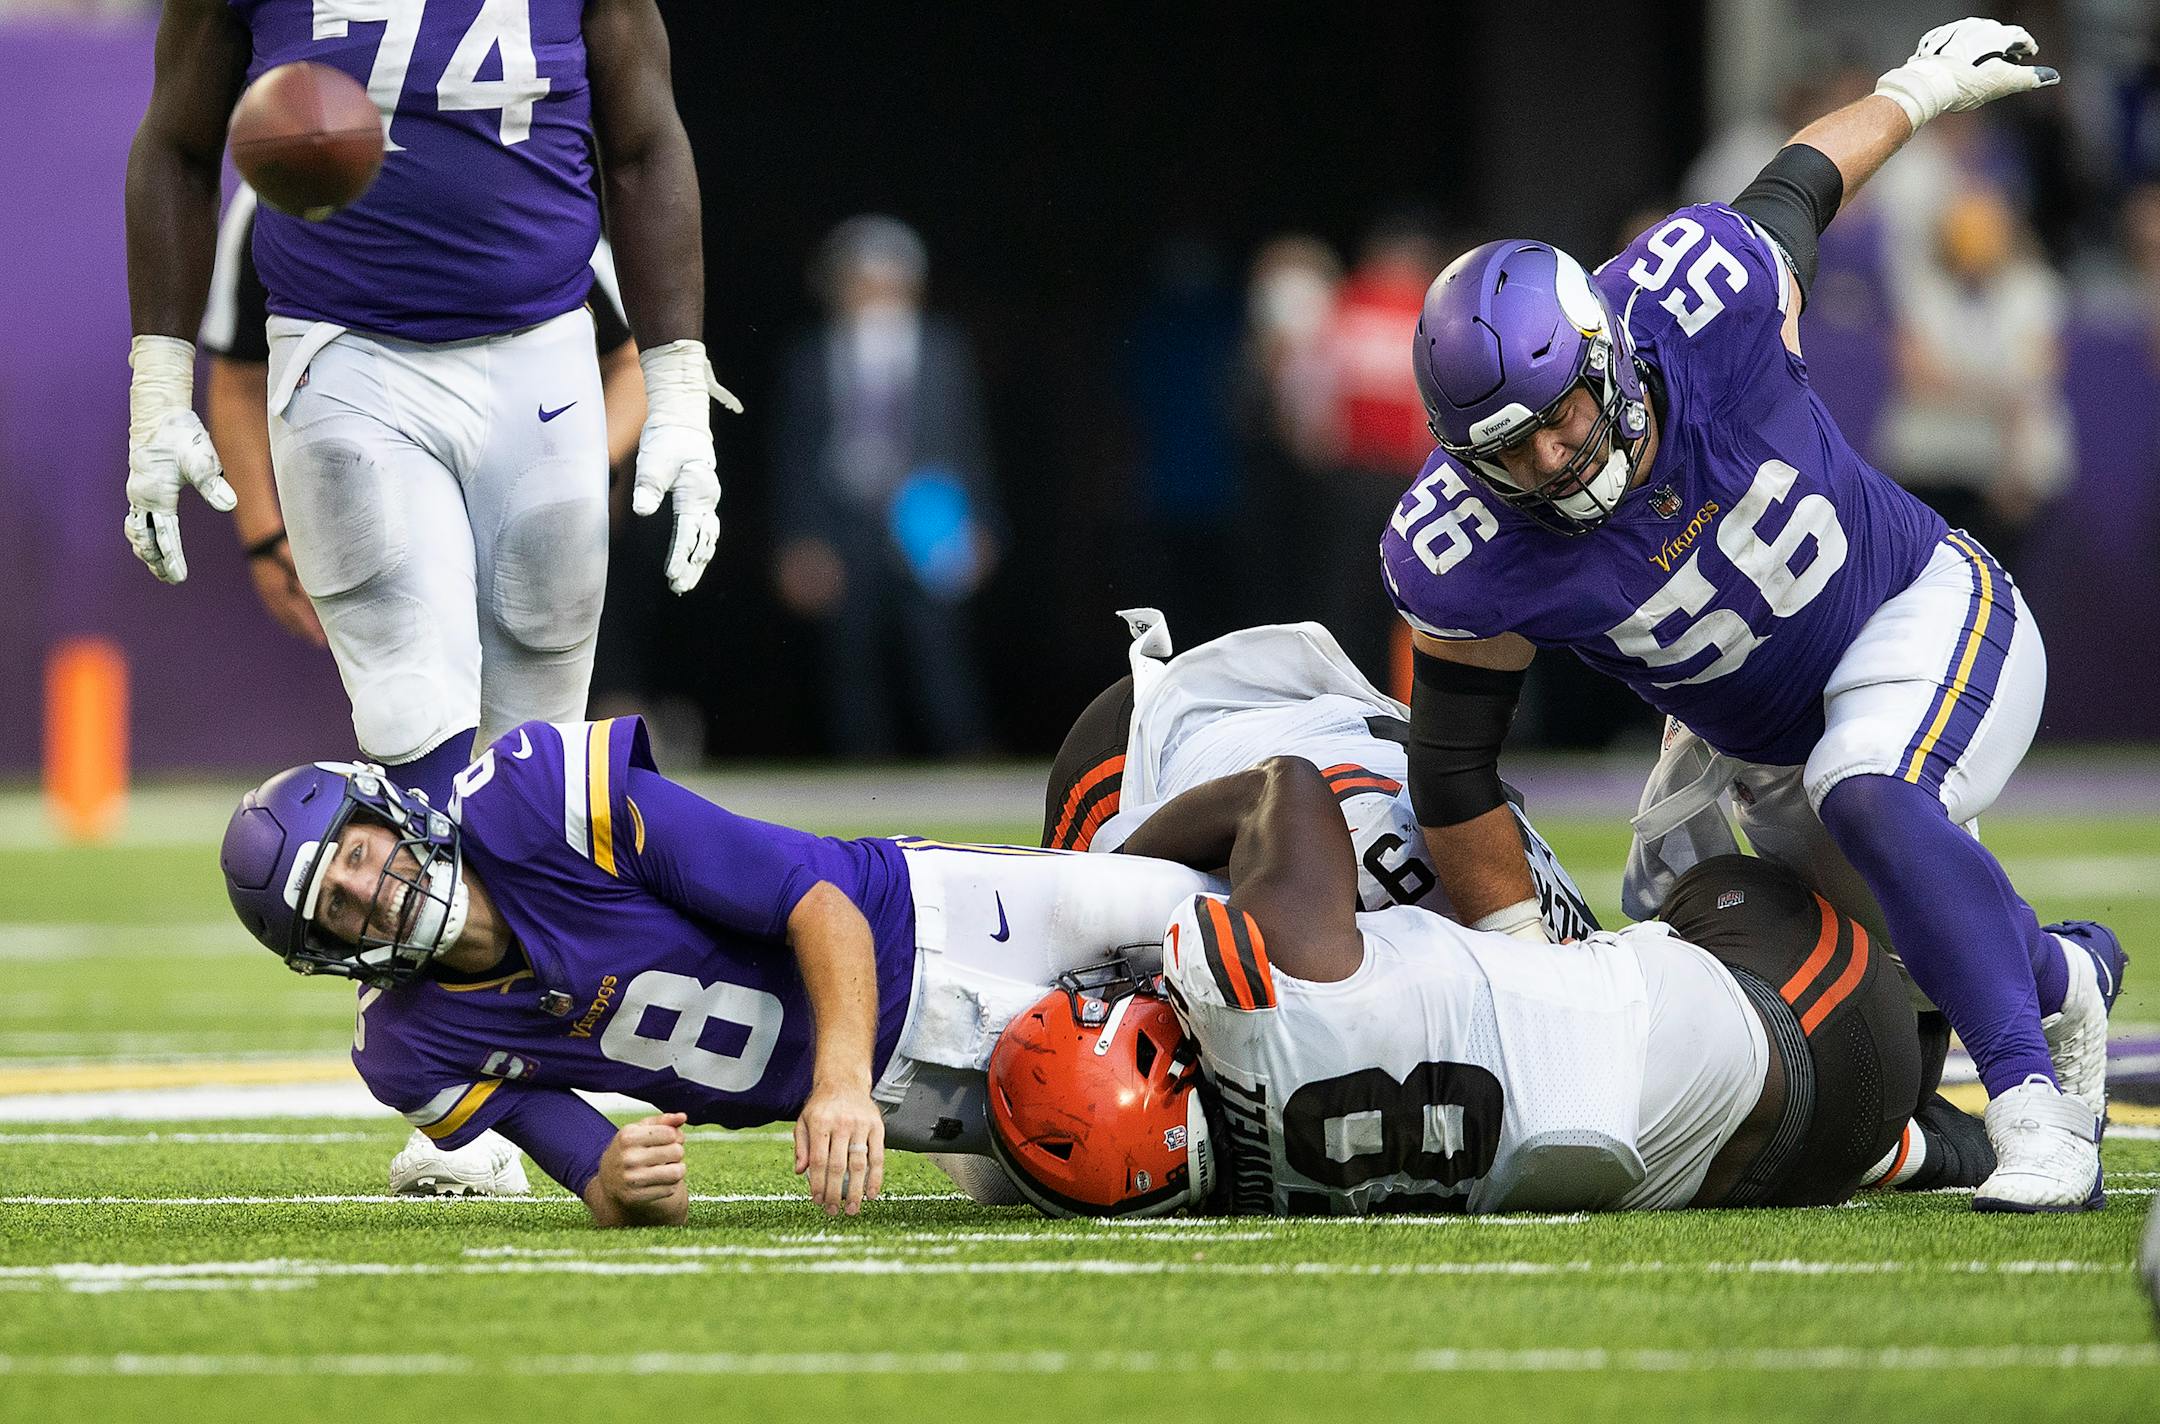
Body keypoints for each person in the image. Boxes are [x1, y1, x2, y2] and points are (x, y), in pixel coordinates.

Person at [1380, 18, 2124, 1211]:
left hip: (1923, 604)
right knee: (1879, 986)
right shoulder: (1468, 545)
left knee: (1872, 783)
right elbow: (1454, 768)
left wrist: (1917, 88)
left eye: (1564, 411)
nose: (1557, 453)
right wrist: (1527, 973)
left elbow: (1802, 182)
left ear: (1603, 351)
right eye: (1512, 450)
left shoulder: (1699, 301)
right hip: (1763, 744)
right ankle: (2063, 977)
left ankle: (2038, 1115)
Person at [217, 716, 1215, 1225]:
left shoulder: (533, 799)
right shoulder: (408, 1043)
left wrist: (837, 1083)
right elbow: (595, 1177)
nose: (370, 891)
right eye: (335, 905)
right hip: (917, 1103)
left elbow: (814, 900)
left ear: (383, 813)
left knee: (1222, 936)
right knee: (1201, 1161)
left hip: (946, 926)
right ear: (325, 950)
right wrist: (622, 1177)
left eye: (353, 854)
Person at [124, 0, 737, 817]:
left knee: (540, 754)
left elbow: (645, 144)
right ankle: (435, 930)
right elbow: (177, 143)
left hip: (543, 353)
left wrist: (679, 389)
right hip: (345, 353)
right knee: (412, 717)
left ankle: (527, 941)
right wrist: (158, 388)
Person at [988, 757, 1958, 1218]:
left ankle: (1915, 1143)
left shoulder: (1242, 1197)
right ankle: (2042, 972)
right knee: (1748, 827)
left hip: (1770, 1173)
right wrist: (1112, 870)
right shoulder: (1261, 979)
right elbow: (1283, 785)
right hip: (1815, 1007)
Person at [199, 183, 648, 652]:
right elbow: (241, 380)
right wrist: (265, 538)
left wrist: (582, 475)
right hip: (373, 508)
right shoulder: (276, 195)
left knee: (548, 704)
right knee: (416, 698)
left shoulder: (509, 176)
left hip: (531, 508)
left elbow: (631, 361)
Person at [1042, 609, 1597, 943]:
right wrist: (1108, 886)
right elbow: (1271, 792)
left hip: (1323, 727)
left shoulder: (1571, 953)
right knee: (1074, 982)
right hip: (1155, 740)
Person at [770, 215, 1002, 759]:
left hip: (928, 516)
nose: (875, 296)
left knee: (940, 649)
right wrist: (797, 539)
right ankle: (863, 776)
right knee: (851, 658)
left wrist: (982, 523)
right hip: (844, 519)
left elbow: (970, 443)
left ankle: (964, 762)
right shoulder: (810, 357)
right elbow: (794, 456)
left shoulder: (943, 349)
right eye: (862, 281)